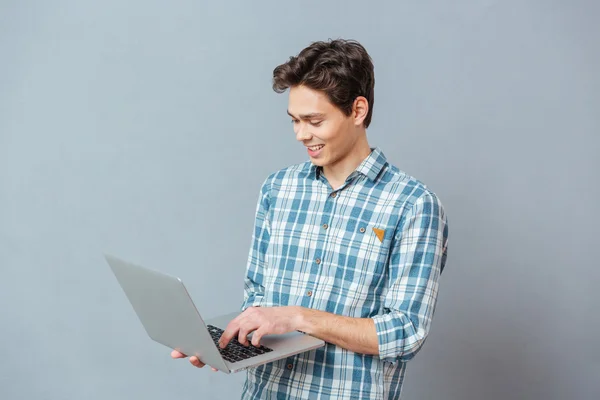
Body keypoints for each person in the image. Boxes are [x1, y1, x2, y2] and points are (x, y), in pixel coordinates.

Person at [172, 38, 449, 399]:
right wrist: (229, 342)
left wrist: (299, 317)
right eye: (295, 121)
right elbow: (257, 297)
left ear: (358, 110)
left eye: (314, 121)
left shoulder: (413, 205)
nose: (302, 134)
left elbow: (405, 332)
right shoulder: (278, 189)